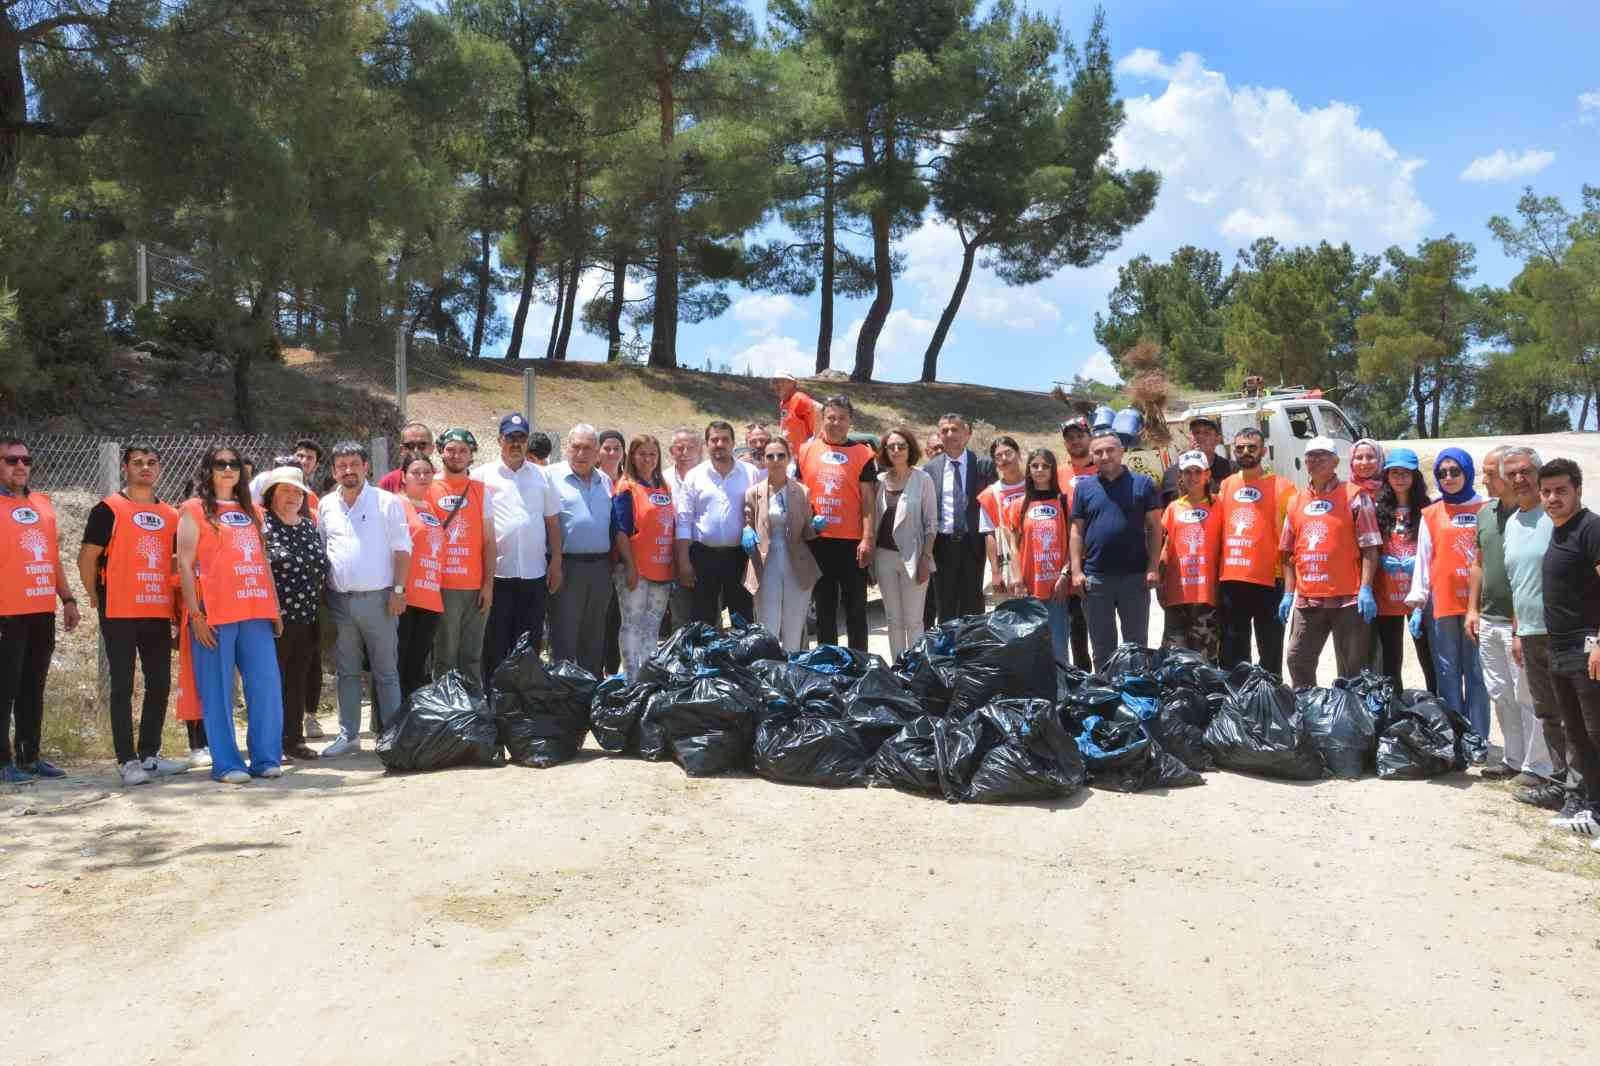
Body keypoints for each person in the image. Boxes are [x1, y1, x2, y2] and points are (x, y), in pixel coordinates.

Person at [76, 443, 186, 785]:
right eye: (138, 462)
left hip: (156, 610)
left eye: (152, 462)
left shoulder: (171, 514)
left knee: (159, 684)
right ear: (126, 467)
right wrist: (95, 595)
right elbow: (87, 558)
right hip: (120, 609)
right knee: (123, 685)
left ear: (160, 469)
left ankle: (149, 755)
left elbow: (175, 563)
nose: (145, 468)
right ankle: (127, 761)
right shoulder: (108, 509)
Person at [174, 445, 283, 784]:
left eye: (234, 464)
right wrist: (195, 615)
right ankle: (227, 763)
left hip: (256, 609)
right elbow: (184, 564)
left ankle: (265, 758)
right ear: (208, 470)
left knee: (266, 686)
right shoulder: (192, 509)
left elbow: (263, 561)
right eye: (220, 464)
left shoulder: (255, 511)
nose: (228, 469)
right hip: (214, 613)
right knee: (218, 690)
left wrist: (275, 607)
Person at [318, 440, 410, 756]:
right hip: (340, 602)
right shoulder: (326, 504)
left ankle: (393, 735)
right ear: (333, 470)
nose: (348, 471)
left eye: (354, 464)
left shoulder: (387, 502)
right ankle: (348, 736)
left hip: (381, 600)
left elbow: (402, 550)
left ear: (366, 467)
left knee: (385, 671)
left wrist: (399, 590)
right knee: (347, 672)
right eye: (342, 466)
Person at [1468, 446, 1549, 780]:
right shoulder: (1488, 515)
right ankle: (1514, 759)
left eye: (1490, 473)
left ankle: (1538, 766)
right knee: (1501, 694)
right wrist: (1471, 609)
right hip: (1489, 621)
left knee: (1529, 698)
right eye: (1492, 472)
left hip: (1526, 627)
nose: (1486, 479)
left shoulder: (1544, 515)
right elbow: (1478, 564)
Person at [0, 437, 79, 783]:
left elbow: (50, 557)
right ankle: (3, 763)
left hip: (41, 608)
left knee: (33, 686)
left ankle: (29, 756)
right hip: (6, 612)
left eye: (26, 460)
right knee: (5, 688)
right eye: (10, 460)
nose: (20, 466)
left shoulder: (42, 503)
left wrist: (68, 598)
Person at [1278, 436, 1381, 689]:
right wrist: (1288, 593)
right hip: (1308, 599)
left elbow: (1370, 547)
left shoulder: (1355, 497)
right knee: (1297, 659)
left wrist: (1366, 588)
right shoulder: (1296, 501)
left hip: (1347, 598)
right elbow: (1287, 552)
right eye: (1311, 456)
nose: (1316, 460)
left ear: (1335, 461)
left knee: (1351, 668)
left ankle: (1349, 722)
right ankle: (1308, 714)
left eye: (1323, 455)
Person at [1499, 448, 1570, 809]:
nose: (1518, 479)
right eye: (1511, 473)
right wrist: (1515, 629)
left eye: (1525, 472)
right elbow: (1518, 582)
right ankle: (1560, 784)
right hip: (1528, 632)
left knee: (1576, 713)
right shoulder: (1512, 523)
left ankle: (1583, 789)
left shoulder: (1558, 516)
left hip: (1563, 632)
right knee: (1548, 713)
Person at [1534, 458, 1600, 847]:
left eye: (1561, 490)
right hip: (1558, 647)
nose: (1553, 498)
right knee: (1576, 734)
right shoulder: (1558, 532)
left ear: (1577, 490)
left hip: (1586, 646)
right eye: (1547, 492)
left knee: (1596, 733)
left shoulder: (1591, 528)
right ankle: (1593, 810)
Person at [1407, 448, 1490, 745]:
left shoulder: (1487, 507)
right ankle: (1454, 736)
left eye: (1455, 471)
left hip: (1479, 607)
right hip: (1441, 604)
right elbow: (1424, 559)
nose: (1449, 477)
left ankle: (1477, 738)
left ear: (1468, 472)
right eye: (1442, 473)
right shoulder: (1430, 513)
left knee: (1477, 674)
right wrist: (1418, 604)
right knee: (1447, 673)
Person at [477, 419, 565, 681]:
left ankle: (524, 706)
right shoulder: (481, 476)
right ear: (499, 441)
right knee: (495, 645)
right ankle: (496, 704)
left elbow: (552, 522)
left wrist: (557, 561)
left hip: (534, 575)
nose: (516, 443)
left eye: (521, 438)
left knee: (529, 645)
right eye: (510, 437)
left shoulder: (542, 476)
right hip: (498, 576)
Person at [1069, 430, 1162, 668]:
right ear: (1092, 456)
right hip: (1096, 580)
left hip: (1135, 578)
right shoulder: (1084, 488)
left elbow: (1154, 528)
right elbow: (1077, 531)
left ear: (1122, 452)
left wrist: (1153, 567)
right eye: (1098, 452)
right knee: (1102, 649)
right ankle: (1106, 698)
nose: (1105, 456)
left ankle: (1136, 697)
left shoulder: (1144, 484)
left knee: (1137, 648)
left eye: (1110, 450)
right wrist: (1077, 572)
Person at [797, 395, 878, 650]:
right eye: (831, 417)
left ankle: (859, 662)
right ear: (823, 419)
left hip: (852, 542)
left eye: (842, 418)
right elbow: (798, 492)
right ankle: (828, 661)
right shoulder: (806, 450)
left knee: (855, 608)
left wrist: (867, 539)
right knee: (824, 608)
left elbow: (868, 501)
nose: (835, 423)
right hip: (818, 541)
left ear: (850, 421)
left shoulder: (863, 453)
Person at [260, 465, 328, 762]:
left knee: (297, 680)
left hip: (308, 617)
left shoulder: (308, 524)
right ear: (271, 494)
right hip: (274, 620)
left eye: (296, 491)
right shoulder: (262, 525)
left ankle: (294, 740)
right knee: (271, 681)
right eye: (284, 490)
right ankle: (269, 742)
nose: (291, 496)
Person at [1216, 427, 1293, 674]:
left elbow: (1293, 536)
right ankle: (1236, 702)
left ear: (1263, 450)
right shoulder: (1226, 486)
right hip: (1231, 579)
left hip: (1269, 580)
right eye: (1240, 448)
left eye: (1252, 447)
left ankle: (1270, 702)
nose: (1246, 452)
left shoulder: (1283, 487)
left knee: (1270, 649)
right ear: (1232, 451)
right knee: (1232, 649)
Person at [545, 425, 616, 676]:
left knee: (595, 634)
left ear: (597, 452)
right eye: (576, 446)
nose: (581, 453)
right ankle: (563, 695)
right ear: (566, 447)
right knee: (564, 634)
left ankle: (590, 692)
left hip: (600, 568)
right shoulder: (550, 477)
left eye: (588, 448)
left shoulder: (605, 480)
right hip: (566, 567)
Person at [676, 421, 759, 628]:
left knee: (743, 619)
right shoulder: (694, 476)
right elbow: (684, 521)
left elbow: (759, 517)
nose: (719, 443)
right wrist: (684, 562)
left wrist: (753, 560)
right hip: (703, 556)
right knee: (702, 620)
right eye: (714, 439)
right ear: (707, 444)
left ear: (733, 443)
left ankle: (741, 661)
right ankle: (705, 660)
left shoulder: (750, 473)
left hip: (740, 556)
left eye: (724, 439)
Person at [742, 436, 821, 652]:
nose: (775, 460)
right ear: (763, 460)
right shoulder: (753, 492)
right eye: (770, 456)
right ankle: (770, 674)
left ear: (789, 458)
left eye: (781, 455)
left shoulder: (801, 491)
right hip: (766, 563)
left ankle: (792, 676)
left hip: (796, 563)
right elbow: (747, 522)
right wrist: (747, 530)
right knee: (769, 625)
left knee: (794, 627)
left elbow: (808, 533)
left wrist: (816, 526)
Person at [431, 427, 496, 685]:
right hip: (441, 586)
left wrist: (488, 585)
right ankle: (445, 712)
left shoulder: (481, 491)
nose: (456, 455)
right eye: (451, 450)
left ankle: (472, 713)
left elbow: (489, 542)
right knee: (444, 656)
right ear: (440, 452)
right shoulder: (429, 486)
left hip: (474, 586)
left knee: (471, 656)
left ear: (471, 456)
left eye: (463, 451)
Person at [1371, 449, 1437, 695]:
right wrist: (1380, 560)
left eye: (1406, 473)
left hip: (1419, 596)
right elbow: (1368, 547)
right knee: (1390, 659)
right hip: (1386, 596)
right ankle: (1395, 713)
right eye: (1395, 472)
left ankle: (1436, 707)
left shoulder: (1428, 509)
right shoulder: (1378, 509)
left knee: (1429, 657)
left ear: (1415, 476)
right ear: (1387, 475)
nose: (1400, 478)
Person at [612, 435, 676, 677]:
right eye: (642, 454)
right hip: (634, 570)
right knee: (632, 624)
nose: (648, 459)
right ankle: (631, 679)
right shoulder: (626, 486)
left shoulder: (664, 486)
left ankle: (648, 677)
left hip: (661, 569)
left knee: (652, 627)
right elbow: (620, 529)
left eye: (652, 454)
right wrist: (629, 565)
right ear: (632, 456)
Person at [922, 414, 994, 624]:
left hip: (973, 544)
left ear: (967, 433)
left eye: (955, 429)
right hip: (942, 546)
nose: (950, 434)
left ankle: (973, 654)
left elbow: (993, 506)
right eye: (944, 431)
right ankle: (949, 655)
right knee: (945, 606)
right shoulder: (930, 469)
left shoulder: (983, 465)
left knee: (973, 607)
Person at [872, 428, 938, 659]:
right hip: (884, 557)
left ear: (910, 448)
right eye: (892, 447)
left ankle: (916, 670)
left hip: (915, 556)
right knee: (893, 619)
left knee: (914, 620)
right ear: (885, 451)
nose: (897, 450)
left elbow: (931, 524)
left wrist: (925, 558)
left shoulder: (923, 479)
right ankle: (897, 670)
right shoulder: (879, 481)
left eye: (901, 446)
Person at [1003, 449, 1073, 663]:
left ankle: (1061, 692)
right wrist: (1017, 579)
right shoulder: (1017, 505)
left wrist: (1065, 574)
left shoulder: (1064, 503)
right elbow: (1012, 546)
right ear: (1029, 470)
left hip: (1057, 586)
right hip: (1028, 587)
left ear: (1053, 470)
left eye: (1045, 465)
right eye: (1035, 466)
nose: (1040, 470)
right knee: (1030, 646)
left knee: (1058, 645)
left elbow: (1074, 541)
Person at [1158, 451, 1224, 661]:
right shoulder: (1173, 508)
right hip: (1177, 594)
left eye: (1198, 471)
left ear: (1207, 474)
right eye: (1188, 472)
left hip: (1207, 596)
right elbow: (1163, 548)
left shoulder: (1219, 505)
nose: (1193, 476)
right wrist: (1160, 584)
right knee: (1175, 660)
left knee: (1205, 662)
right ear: (1181, 476)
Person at [396, 454, 445, 702]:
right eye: (416, 472)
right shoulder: (396, 504)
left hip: (430, 599)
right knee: (398, 665)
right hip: (405, 597)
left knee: (417, 668)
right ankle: (389, 725)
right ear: (404, 476)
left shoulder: (431, 508)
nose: (423, 477)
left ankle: (413, 726)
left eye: (427, 472)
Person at [1055, 417, 1097, 670]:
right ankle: (1081, 679)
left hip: (1100, 558)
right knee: (1076, 626)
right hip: (1069, 560)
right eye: (1070, 437)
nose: (1075, 440)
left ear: (1089, 436)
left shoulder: (1104, 467)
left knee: (1103, 626)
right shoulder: (1058, 473)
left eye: (1080, 435)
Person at [661, 427, 703, 633]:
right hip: (674, 551)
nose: (685, 452)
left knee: (707, 613)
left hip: (705, 550)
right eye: (680, 448)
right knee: (680, 613)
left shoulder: (708, 475)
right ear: (671, 451)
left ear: (700, 449)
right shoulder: (662, 479)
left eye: (690, 447)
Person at [977, 436, 1028, 598]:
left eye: (1008, 453)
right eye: (998, 456)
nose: (1004, 459)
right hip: (1009, 565)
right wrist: (995, 572)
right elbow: (990, 534)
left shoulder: (1038, 484)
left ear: (1019, 455)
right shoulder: (989, 494)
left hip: (1039, 559)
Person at [597, 429, 626, 675]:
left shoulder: (627, 483)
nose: (612, 452)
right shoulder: (591, 480)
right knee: (597, 620)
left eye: (617, 448)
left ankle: (613, 670)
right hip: (596, 562)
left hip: (623, 563)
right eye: (607, 448)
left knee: (617, 620)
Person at [1159, 415, 1233, 506]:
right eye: (1196, 432)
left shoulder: (1232, 470)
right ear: (1189, 438)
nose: (1200, 437)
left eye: (1206, 433)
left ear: (1218, 439)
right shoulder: (1171, 474)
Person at [774, 370, 820, 457]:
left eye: (782, 382)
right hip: (791, 456)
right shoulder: (783, 402)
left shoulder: (799, 399)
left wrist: (814, 443)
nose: (778, 385)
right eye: (775, 382)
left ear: (792, 384)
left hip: (804, 456)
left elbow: (819, 409)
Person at [378, 422, 434, 493]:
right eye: (410, 445)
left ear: (431, 448)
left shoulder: (441, 480)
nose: (416, 450)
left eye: (422, 445)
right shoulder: (388, 482)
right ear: (402, 450)